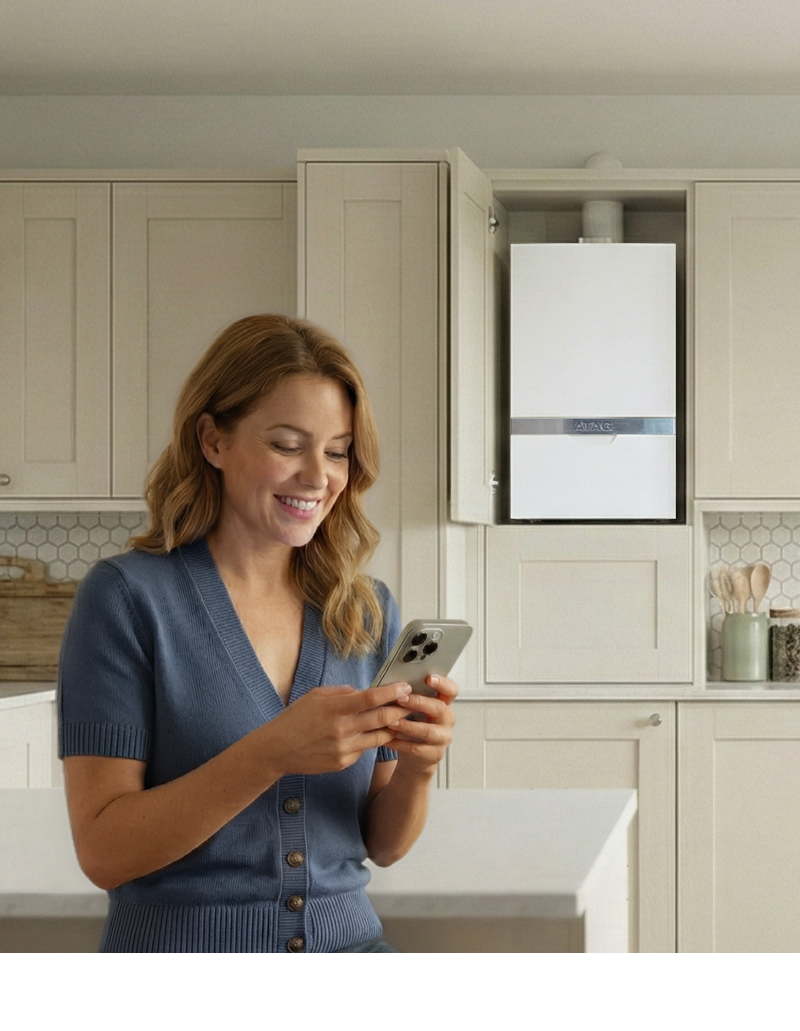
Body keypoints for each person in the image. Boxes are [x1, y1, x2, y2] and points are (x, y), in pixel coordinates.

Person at [58, 313, 458, 953]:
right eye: (286, 445)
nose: (317, 477)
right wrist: (273, 751)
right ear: (213, 441)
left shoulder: (363, 611)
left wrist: (417, 766)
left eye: (336, 451)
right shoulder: (128, 598)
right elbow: (103, 851)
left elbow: (382, 845)